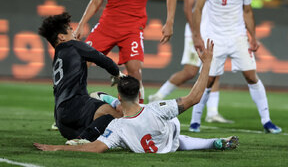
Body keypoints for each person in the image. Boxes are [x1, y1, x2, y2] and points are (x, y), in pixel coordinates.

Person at [34, 39, 240, 153]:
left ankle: (214, 143)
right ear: (139, 93)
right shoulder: (158, 109)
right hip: (169, 139)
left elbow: (95, 148)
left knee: (177, 141)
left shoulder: (117, 127)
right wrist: (207, 65)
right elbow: (194, 97)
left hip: (151, 145)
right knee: (177, 136)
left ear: (120, 95)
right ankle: (213, 142)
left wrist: (56, 148)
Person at [190, 0, 281, 134]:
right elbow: (197, 8)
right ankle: (195, 120)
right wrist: (197, 36)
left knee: (251, 76)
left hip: (238, 36)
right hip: (215, 37)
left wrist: (253, 37)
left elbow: (247, 11)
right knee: (209, 79)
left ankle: (267, 121)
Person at [149, 0, 233, 126]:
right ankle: (158, 95)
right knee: (190, 71)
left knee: (215, 71)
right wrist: (196, 33)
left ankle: (212, 112)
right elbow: (188, 7)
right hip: (198, 31)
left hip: (215, 31)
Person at [38, 12, 123, 143]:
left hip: (61, 119)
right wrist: (117, 74)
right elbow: (104, 60)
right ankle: (84, 139)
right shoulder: (74, 45)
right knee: (117, 116)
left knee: (102, 129)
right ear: (61, 37)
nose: (73, 30)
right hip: (76, 106)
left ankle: (82, 137)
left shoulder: (58, 56)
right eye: (70, 29)